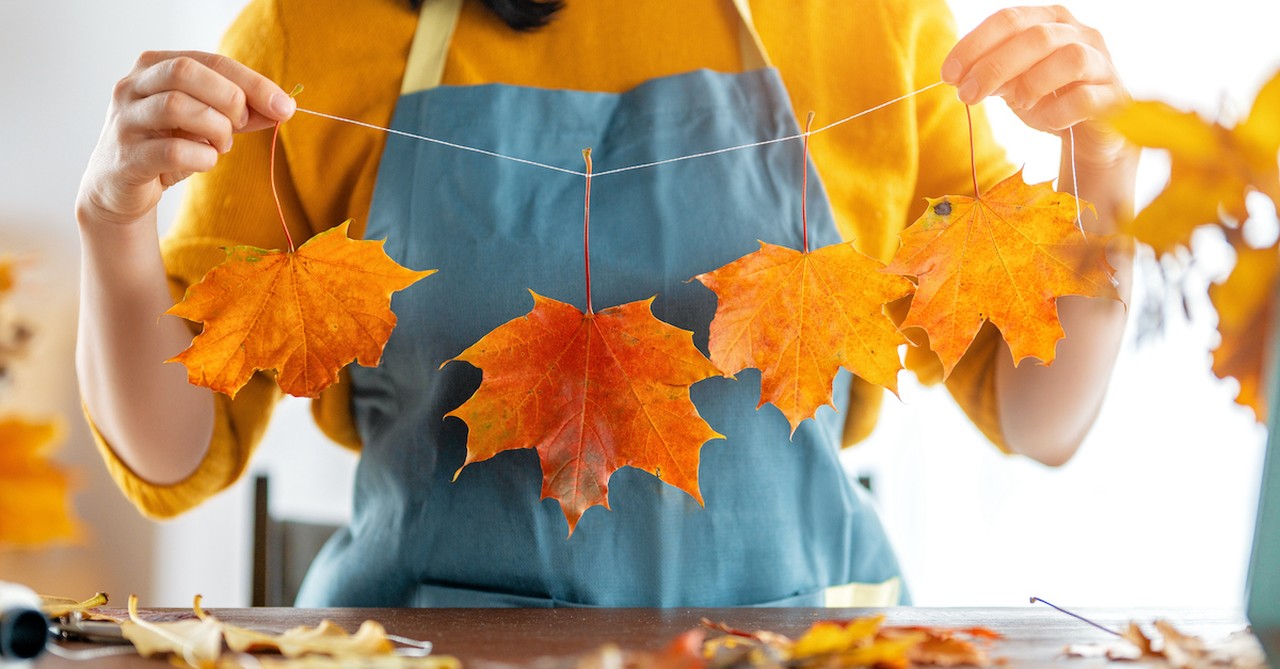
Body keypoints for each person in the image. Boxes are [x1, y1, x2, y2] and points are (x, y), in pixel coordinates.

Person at [76, 0, 1136, 607]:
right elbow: (175, 448)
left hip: (797, 645)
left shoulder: (874, 23)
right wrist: (111, 225)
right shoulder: (312, 32)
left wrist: (1102, 163)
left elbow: (1040, 415)